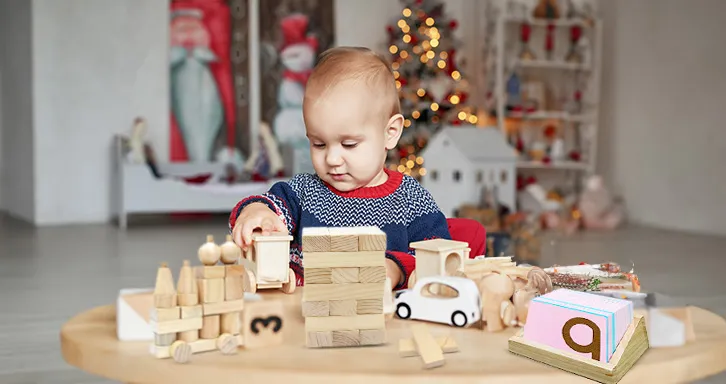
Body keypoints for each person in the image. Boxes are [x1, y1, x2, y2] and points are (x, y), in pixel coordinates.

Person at [229, 46, 451, 290]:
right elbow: (270, 206)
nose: (333, 159)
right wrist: (256, 212)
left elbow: (438, 256)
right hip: (305, 316)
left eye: (349, 144)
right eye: (319, 143)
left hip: (382, 320)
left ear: (390, 133)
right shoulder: (304, 192)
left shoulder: (410, 199)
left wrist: (397, 269)